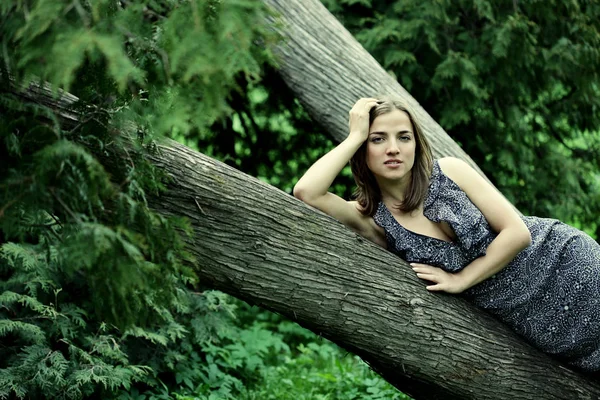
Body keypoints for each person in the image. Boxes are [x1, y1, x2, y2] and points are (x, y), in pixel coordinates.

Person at [293, 97, 600, 371]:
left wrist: (461, 279)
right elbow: (307, 191)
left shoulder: (450, 170)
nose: (393, 148)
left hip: (565, 262)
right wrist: (356, 135)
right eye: (378, 139)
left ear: (416, 144)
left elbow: (517, 233)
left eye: (404, 137)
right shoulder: (373, 220)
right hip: (536, 319)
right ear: (363, 150)